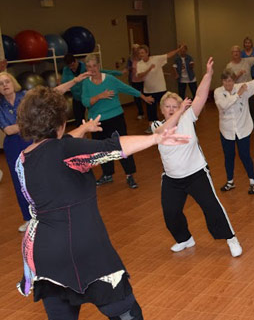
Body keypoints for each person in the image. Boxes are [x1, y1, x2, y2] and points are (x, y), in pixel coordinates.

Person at [15, 85, 190, 320]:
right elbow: (111, 149)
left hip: (46, 256)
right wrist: (155, 139)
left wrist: (81, 130)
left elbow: (62, 149)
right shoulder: (66, 149)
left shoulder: (25, 158)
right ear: (60, 123)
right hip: (87, 253)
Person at [151, 58, 242, 257]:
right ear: (162, 109)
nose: (172, 109)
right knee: (171, 213)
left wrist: (208, 74)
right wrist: (180, 111)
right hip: (172, 179)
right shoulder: (157, 126)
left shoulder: (188, 118)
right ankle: (185, 239)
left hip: (196, 174)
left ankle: (231, 238)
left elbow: (200, 96)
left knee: (212, 208)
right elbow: (162, 133)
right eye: (167, 106)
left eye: (175, 105)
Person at [0, 70, 90, 232]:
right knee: (20, 183)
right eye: (1, 84)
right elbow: (8, 130)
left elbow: (53, 92)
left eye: (7, 81)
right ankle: (28, 218)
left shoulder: (26, 96)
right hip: (14, 146)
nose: (4, 85)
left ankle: (49, 212)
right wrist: (33, 121)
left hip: (33, 140)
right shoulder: (1, 106)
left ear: (13, 83)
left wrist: (75, 81)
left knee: (43, 176)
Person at [82, 53, 154, 189]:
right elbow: (86, 102)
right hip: (96, 122)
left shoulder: (109, 79)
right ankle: (107, 174)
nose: (92, 69)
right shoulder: (86, 83)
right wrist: (99, 96)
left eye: (94, 66)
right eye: (89, 67)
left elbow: (127, 88)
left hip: (116, 118)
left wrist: (143, 97)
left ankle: (130, 175)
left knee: (122, 146)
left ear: (99, 66)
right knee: (101, 149)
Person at [214, 64, 254, 195]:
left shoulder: (241, 87)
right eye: (225, 81)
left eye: (230, 80)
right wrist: (238, 95)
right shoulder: (218, 92)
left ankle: (252, 182)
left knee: (245, 155)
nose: (228, 83)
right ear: (222, 81)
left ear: (234, 80)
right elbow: (224, 105)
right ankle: (230, 182)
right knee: (229, 156)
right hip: (226, 131)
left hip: (243, 129)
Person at [62, 53, 123, 126]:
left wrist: (119, 73)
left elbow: (104, 71)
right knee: (79, 120)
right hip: (77, 98)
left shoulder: (85, 66)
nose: (72, 68)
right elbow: (64, 82)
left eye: (73, 65)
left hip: (88, 96)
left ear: (75, 61)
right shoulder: (66, 70)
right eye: (70, 67)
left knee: (91, 117)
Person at [136, 44, 182, 125]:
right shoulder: (139, 64)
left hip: (160, 89)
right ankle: (153, 127)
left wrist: (178, 49)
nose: (141, 55)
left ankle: (171, 123)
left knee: (167, 107)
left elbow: (168, 55)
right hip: (148, 90)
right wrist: (149, 69)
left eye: (142, 53)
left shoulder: (156, 59)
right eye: (139, 53)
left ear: (147, 53)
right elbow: (139, 75)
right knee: (151, 111)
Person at [125, 44, 145, 119]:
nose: (136, 51)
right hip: (134, 80)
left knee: (145, 95)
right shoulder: (130, 59)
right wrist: (128, 69)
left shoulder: (142, 58)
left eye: (137, 49)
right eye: (134, 49)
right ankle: (140, 112)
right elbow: (127, 68)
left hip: (143, 80)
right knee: (137, 97)